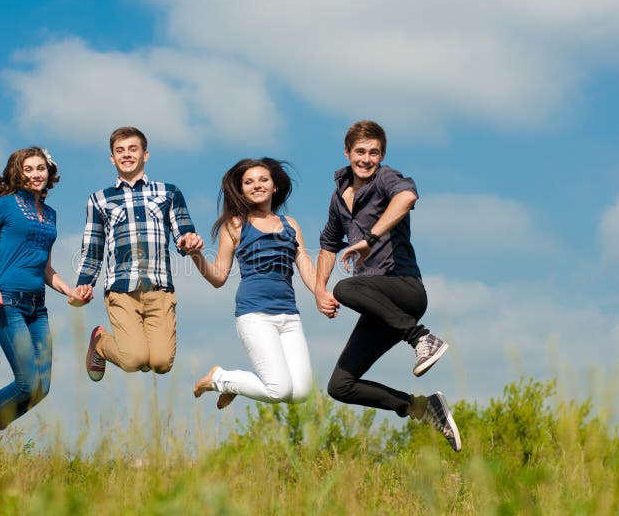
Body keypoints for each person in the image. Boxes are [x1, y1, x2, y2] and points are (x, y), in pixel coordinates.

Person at [315, 120, 462, 451]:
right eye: (360, 152)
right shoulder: (339, 197)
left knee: (346, 288)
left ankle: (423, 338)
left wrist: (370, 238)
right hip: (379, 305)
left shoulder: (385, 179)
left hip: (404, 290)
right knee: (340, 386)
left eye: (374, 153)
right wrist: (318, 291)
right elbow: (328, 243)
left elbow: (407, 197)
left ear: (382, 155)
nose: (367, 159)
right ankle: (422, 408)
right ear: (347, 153)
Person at [0, 146, 82, 466]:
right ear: (17, 172)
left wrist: (69, 289)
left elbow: (45, 268)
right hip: (5, 300)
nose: (36, 174)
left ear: (48, 172)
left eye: (41, 168)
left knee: (41, 388)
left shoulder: (50, 215)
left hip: (37, 307)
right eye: (29, 169)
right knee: (26, 381)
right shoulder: (3, 206)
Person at [73, 126, 203, 380]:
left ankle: (136, 348)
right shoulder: (99, 199)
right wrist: (83, 285)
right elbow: (93, 248)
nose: (126, 155)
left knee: (162, 363)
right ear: (112, 158)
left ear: (145, 154)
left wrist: (189, 241)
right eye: (120, 151)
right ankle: (99, 341)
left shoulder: (169, 192)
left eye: (133, 149)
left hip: (159, 288)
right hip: (121, 288)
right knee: (134, 360)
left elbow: (183, 232)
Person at [191, 158, 314, 409]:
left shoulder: (290, 225)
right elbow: (218, 277)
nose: (256, 185)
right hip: (254, 313)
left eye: (263, 180)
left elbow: (306, 268)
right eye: (249, 182)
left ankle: (232, 383)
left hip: (289, 315)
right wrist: (195, 255)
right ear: (242, 189)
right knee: (279, 390)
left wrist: (322, 294)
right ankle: (220, 378)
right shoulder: (235, 225)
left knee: (300, 393)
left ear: (274, 187)